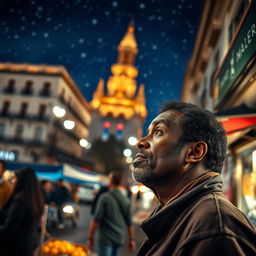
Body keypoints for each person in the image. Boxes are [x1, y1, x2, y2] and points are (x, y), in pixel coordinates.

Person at [132, 101, 256, 255]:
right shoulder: (187, 216)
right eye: (148, 132)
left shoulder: (213, 226)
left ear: (194, 152)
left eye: (158, 132)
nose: (141, 142)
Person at [87, 171, 136, 256]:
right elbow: (129, 223)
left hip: (106, 237)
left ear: (110, 181)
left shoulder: (104, 197)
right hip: (119, 238)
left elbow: (96, 219)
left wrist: (90, 237)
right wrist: (132, 240)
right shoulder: (126, 200)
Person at [0, 167, 44, 256]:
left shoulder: (20, 201)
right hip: (26, 246)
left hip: (15, 248)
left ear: (22, 181)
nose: (13, 181)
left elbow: (9, 228)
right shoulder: (34, 199)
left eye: (15, 178)